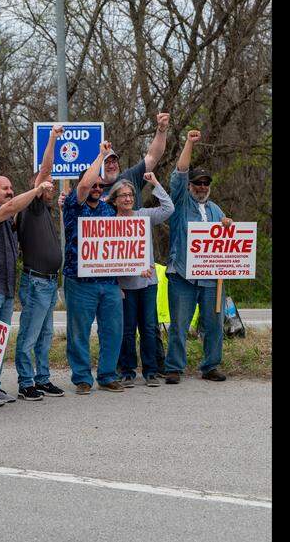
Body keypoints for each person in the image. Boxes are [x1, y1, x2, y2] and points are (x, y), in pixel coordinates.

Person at [0, 173, 54, 407]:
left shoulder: (8, 219)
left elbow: (17, 205)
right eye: (5, 188)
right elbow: (12, 205)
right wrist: (36, 190)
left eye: (11, 187)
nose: (10, 191)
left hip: (6, 288)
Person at [164, 129, 233, 384]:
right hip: (182, 275)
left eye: (206, 183)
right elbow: (180, 173)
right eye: (197, 183)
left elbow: (227, 241)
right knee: (179, 325)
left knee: (214, 325)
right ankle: (174, 367)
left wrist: (228, 225)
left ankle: (211, 365)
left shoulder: (215, 209)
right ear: (190, 186)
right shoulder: (180, 203)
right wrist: (189, 144)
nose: (202, 187)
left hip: (212, 279)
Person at [62, 141, 124, 394]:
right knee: (79, 331)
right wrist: (100, 155)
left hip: (108, 282)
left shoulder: (110, 209)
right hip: (80, 281)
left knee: (112, 330)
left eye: (100, 186)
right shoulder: (73, 205)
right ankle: (82, 377)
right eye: (93, 185)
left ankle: (107, 374)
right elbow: (85, 185)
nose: (96, 189)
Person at [106, 172, 174, 387]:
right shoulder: (108, 222)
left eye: (130, 195)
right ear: (114, 199)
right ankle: (127, 371)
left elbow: (168, 209)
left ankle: (151, 372)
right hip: (124, 285)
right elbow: (106, 256)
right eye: (122, 195)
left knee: (148, 327)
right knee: (126, 330)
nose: (127, 199)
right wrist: (115, 283)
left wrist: (154, 183)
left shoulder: (143, 216)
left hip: (147, 284)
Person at [14, 124, 66, 401]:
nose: (51, 185)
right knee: (30, 335)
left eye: (52, 184)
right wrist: (52, 139)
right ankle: (25, 382)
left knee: (45, 336)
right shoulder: (31, 205)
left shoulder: (45, 211)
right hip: (35, 282)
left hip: (48, 282)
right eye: (46, 184)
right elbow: (45, 171)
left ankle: (42, 379)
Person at [101, 112, 171, 193]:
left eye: (114, 161)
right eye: (106, 162)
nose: (111, 166)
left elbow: (153, 157)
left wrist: (162, 129)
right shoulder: (93, 190)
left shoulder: (131, 177)